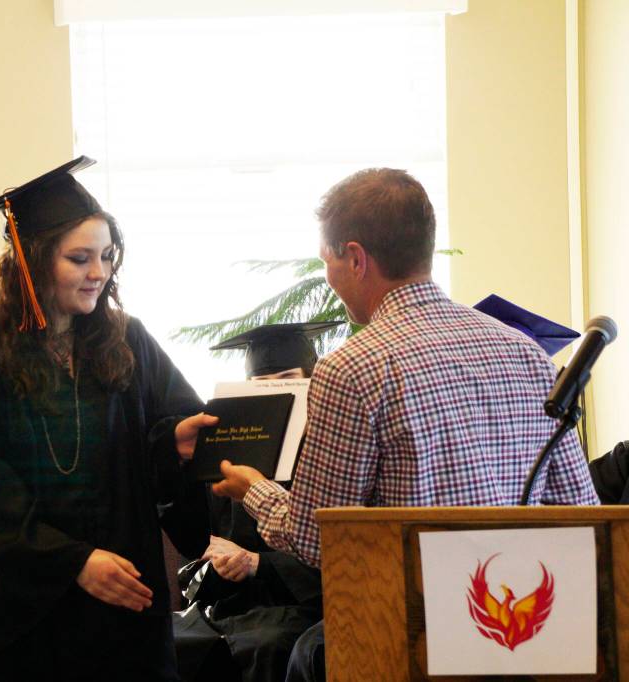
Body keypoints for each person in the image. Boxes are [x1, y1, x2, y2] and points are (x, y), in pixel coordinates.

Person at [209, 168, 600, 681]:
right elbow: (582, 510)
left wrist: (254, 489)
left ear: (355, 258)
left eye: (328, 261)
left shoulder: (352, 369)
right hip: (523, 629)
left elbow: (318, 538)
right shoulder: (525, 352)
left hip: (408, 635)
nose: (330, 275)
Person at [0, 156, 213, 681]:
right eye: (79, 258)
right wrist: (70, 561)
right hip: (20, 615)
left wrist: (177, 442)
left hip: (120, 593)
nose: (98, 273)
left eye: (106, 256)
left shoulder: (127, 340)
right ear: (30, 262)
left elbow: (165, 430)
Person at [174, 323, 338, 682]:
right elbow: (195, 557)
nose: (272, 389)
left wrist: (260, 563)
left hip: (305, 610)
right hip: (232, 608)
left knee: (264, 646)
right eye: (261, 380)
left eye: (287, 377)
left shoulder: (330, 452)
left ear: (312, 379)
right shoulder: (228, 454)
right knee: (168, 641)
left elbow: (339, 554)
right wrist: (216, 566)